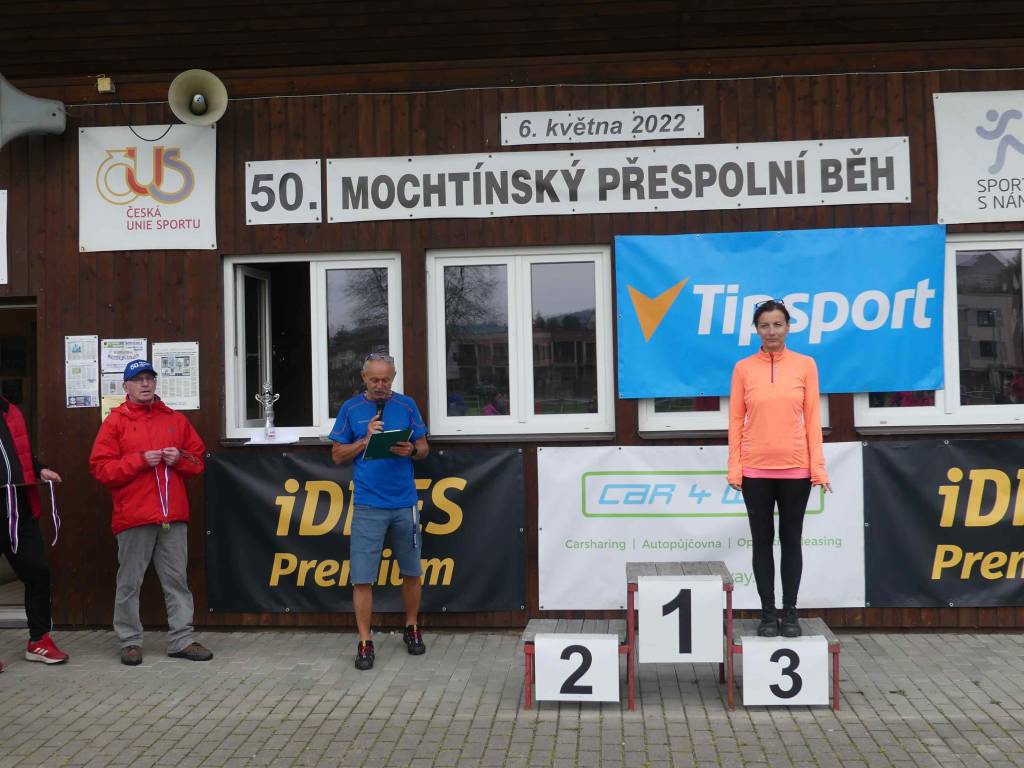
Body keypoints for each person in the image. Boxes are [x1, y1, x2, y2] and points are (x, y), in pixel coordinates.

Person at [89, 359, 212, 666]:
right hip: (133, 517)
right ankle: (130, 641)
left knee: (177, 581)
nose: (144, 384)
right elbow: (101, 469)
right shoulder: (114, 423)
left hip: (173, 516)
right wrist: (140, 460)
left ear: (155, 383)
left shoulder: (175, 420)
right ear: (126, 386)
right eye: (138, 379)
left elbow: (198, 462)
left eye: (149, 378)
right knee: (129, 583)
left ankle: (181, 640)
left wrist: (178, 458)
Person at [727, 300, 831, 639]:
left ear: (788, 327)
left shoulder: (806, 365)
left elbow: (813, 419)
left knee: (791, 541)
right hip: (755, 470)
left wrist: (818, 468)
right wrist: (735, 468)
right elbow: (736, 420)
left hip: (796, 469)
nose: (771, 331)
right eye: (765, 325)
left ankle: (790, 612)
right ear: (756, 330)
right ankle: (767, 614)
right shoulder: (743, 368)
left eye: (777, 324)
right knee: (761, 542)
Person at [330, 352, 429, 671]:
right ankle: (364, 641)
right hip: (368, 504)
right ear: (364, 378)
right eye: (374, 379)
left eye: (386, 379)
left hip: (404, 502)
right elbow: (336, 455)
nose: (380, 385)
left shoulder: (407, 405)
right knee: (362, 577)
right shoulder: (351, 409)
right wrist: (364, 440)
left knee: (412, 571)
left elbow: (424, 448)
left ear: (394, 377)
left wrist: (411, 449)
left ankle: (411, 627)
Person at [0, 395, 67, 671]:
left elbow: (19, 453)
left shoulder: (10, 411)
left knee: (38, 573)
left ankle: (39, 640)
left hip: (19, 510)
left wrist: (40, 469)